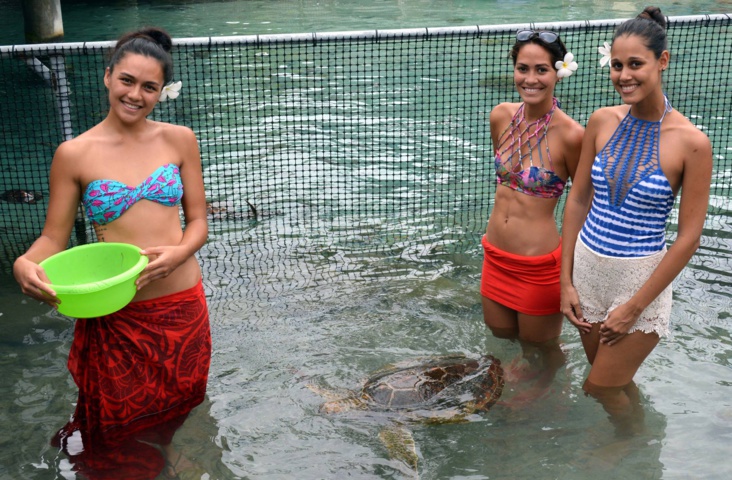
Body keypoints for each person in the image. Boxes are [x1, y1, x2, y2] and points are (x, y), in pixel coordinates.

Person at [12, 27, 211, 474]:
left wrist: (179, 254)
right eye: (127, 80)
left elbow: (198, 222)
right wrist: (25, 262)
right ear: (107, 77)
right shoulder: (74, 153)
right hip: (117, 315)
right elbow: (53, 239)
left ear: (162, 91)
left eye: (149, 87)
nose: (135, 95)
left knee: (181, 403)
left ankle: (175, 456)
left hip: (182, 308)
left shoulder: (180, 139)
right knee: (119, 422)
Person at [560, 6, 712, 435]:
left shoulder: (692, 143)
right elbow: (578, 200)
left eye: (635, 64)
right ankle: (637, 440)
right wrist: (565, 281)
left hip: (638, 283)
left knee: (598, 387)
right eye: (616, 65)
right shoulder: (601, 120)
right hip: (587, 272)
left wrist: (635, 306)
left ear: (662, 61)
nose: (624, 75)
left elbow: (688, 238)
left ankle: (632, 448)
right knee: (612, 381)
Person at [481, 30, 584, 391]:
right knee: (501, 342)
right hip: (495, 257)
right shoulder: (500, 116)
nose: (530, 79)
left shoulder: (572, 135)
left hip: (538, 269)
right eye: (522, 68)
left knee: (542, 353)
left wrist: (568, 279)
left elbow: (581, 203)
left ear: (559, 72)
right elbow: (506, 183)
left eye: (541, 70)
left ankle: (556, 406)